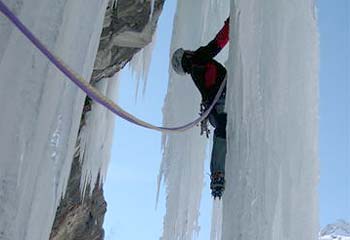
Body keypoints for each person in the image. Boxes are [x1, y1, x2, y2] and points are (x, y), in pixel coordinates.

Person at [171, 18, 229, 199]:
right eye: (186, 52)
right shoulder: (197, 59)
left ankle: (218, 173)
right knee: (223, 127)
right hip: (219, 102)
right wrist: (230, 24)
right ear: (185, 57)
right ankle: (218, 172)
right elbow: (217, 43)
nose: (189, 51)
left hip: (214, 109)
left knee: (223, 129)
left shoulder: (196, 70)